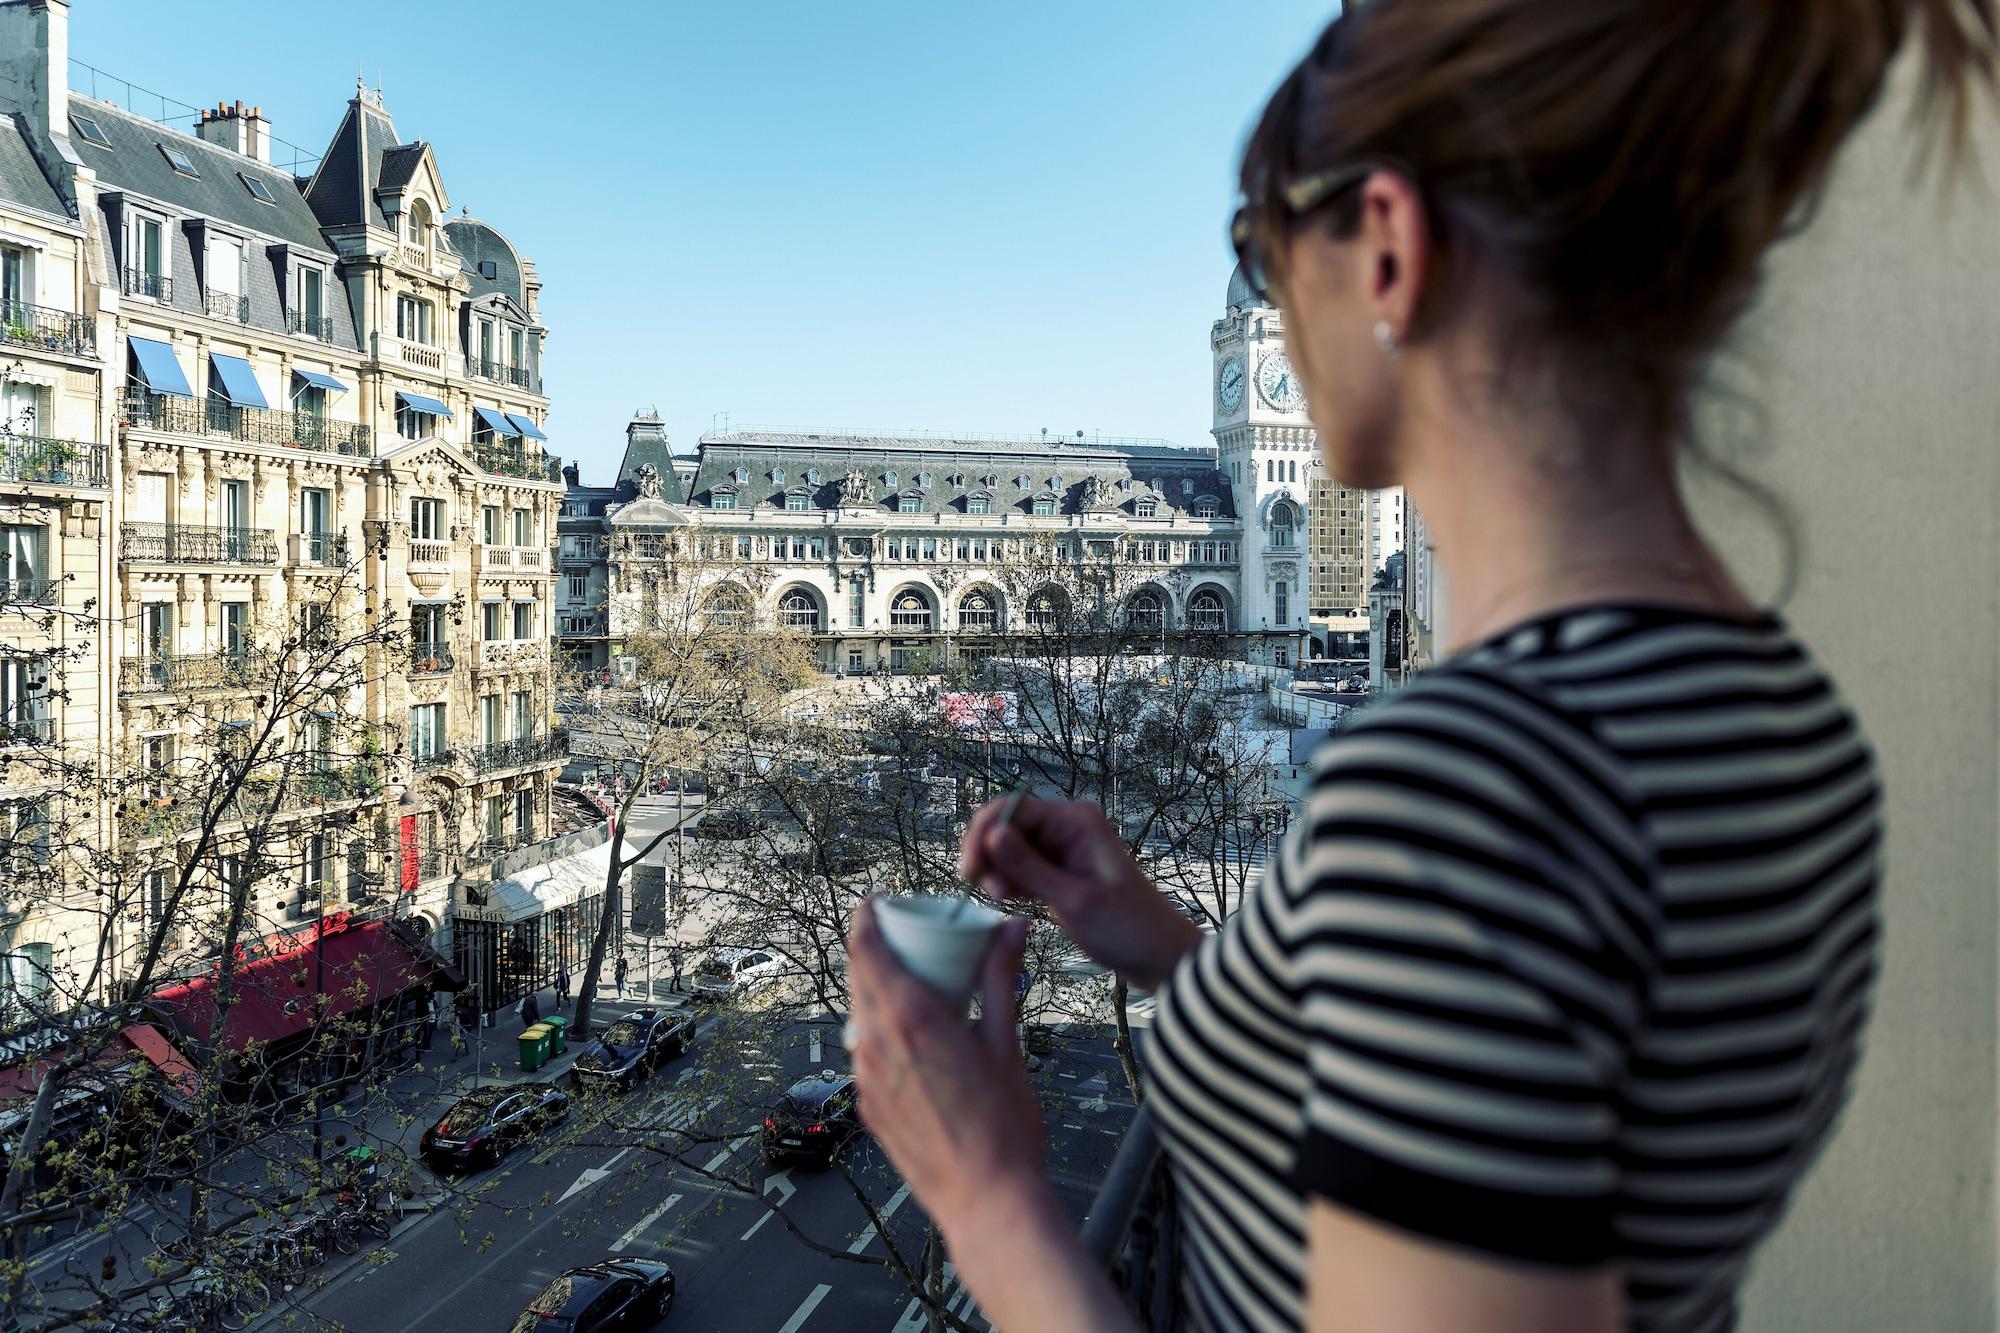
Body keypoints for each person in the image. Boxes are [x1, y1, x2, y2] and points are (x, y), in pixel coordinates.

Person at [843, 5, 1992, 1331]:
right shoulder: (1782, 720)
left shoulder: (1474, 778)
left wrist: (980, 1182)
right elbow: (1509, 1066)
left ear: (1386, 247)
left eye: (1259, 250)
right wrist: (1165, 941)